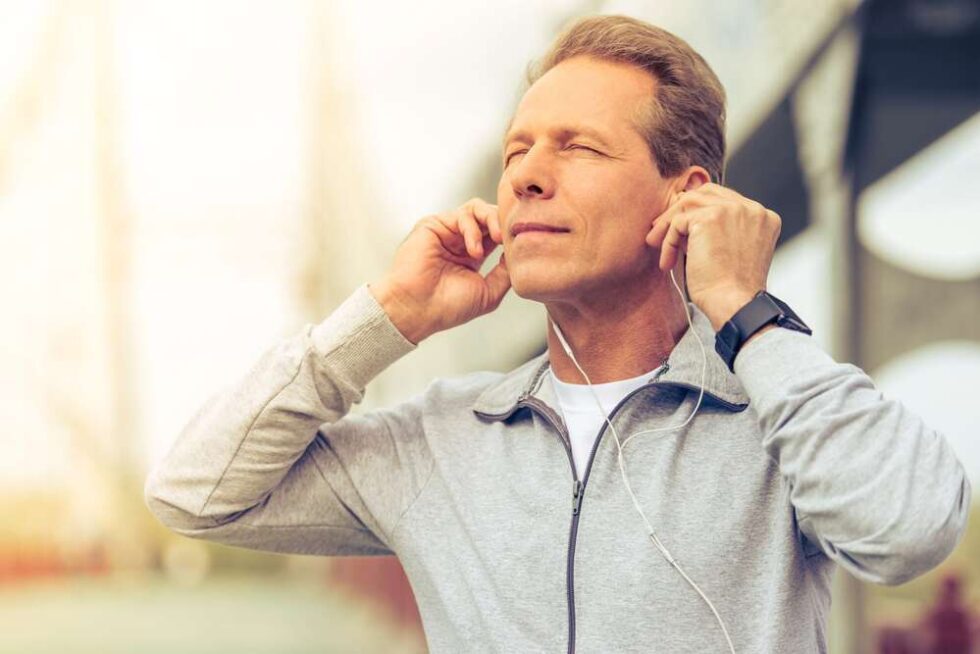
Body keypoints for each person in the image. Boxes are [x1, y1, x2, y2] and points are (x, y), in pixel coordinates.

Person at [144, 14, 971, 654]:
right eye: (518, 151)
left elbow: (909, 527)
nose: (529, 175)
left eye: (579, 147)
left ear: (685, 197)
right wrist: (386, 318)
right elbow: (194, 491)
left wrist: (744, 310)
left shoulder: (779, 421)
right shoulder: (440, 440)